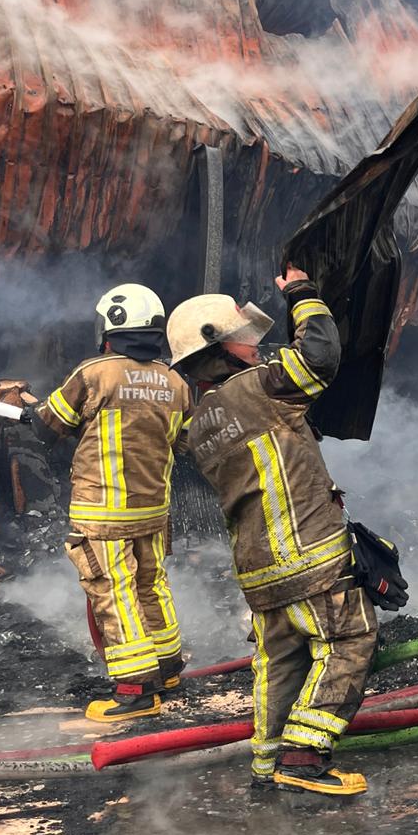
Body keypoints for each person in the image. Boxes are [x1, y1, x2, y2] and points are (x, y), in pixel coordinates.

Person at [168, 268, 384, 797]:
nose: (258, 351)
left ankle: (266, 766)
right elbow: (320, 355)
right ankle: (304, 757)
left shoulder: (200, 424)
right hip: (309, 554)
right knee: (349, 640)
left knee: (280, 661)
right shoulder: (256, 389)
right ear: (217, 348)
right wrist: (303, 293)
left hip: (260, 568)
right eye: (247, 342)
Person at [29, 285, 192, 723]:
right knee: (150, 584)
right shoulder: (175, 381)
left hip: (102, 513)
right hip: (153, 509)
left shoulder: (94, 373)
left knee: (112, 591)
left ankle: (136, 691)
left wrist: (33, 414)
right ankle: (167, 668)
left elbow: (50, 429)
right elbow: (184, 440)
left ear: (109, 326)